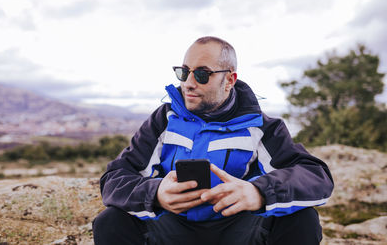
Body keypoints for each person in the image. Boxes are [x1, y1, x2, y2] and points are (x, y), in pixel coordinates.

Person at [92, 36, 334, 245]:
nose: (188, 83)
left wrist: (258, 192)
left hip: (239, 231)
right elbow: (114, 178)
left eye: (201, 74)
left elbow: (316, 176)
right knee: (111, 221)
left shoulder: (263, 127)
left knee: (302, 219)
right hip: (173, 229)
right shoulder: (164, 120)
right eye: (184, 72)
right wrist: (156, 193)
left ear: (229, 80)